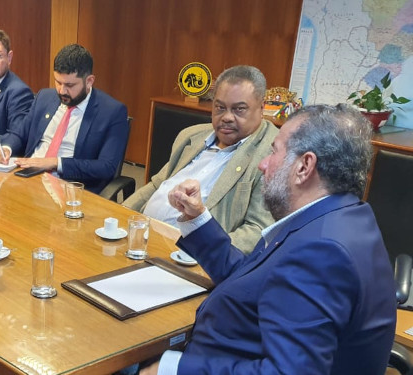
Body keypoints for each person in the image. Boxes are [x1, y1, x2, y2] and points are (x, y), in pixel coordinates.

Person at [138, 104, 396, 374]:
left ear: (304, 166)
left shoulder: (321, 252)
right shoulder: (338, 219)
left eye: (274, 152)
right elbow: (253, 280)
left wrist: (172, 368)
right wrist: (198, 219)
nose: (263, 164)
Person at [122, 65, 278, 253]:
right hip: (141, 238)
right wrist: (120, 214)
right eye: (220, 107)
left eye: (239, 110)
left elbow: (257, 231)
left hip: (189, 256)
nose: (227, 117)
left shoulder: (271, 155)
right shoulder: (190, 136)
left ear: (261, 108)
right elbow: (157, 185)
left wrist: (204, 253)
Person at [0, 44, 128, 194]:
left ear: (89, 81)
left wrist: (56, 162)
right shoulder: (45, 97)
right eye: (58, 82)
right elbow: (20, 133)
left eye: (69, 85)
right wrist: (6, 147)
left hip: (69, 188)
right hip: (27, 180)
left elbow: (106, 167)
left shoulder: (112, 112)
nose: (62, 91)